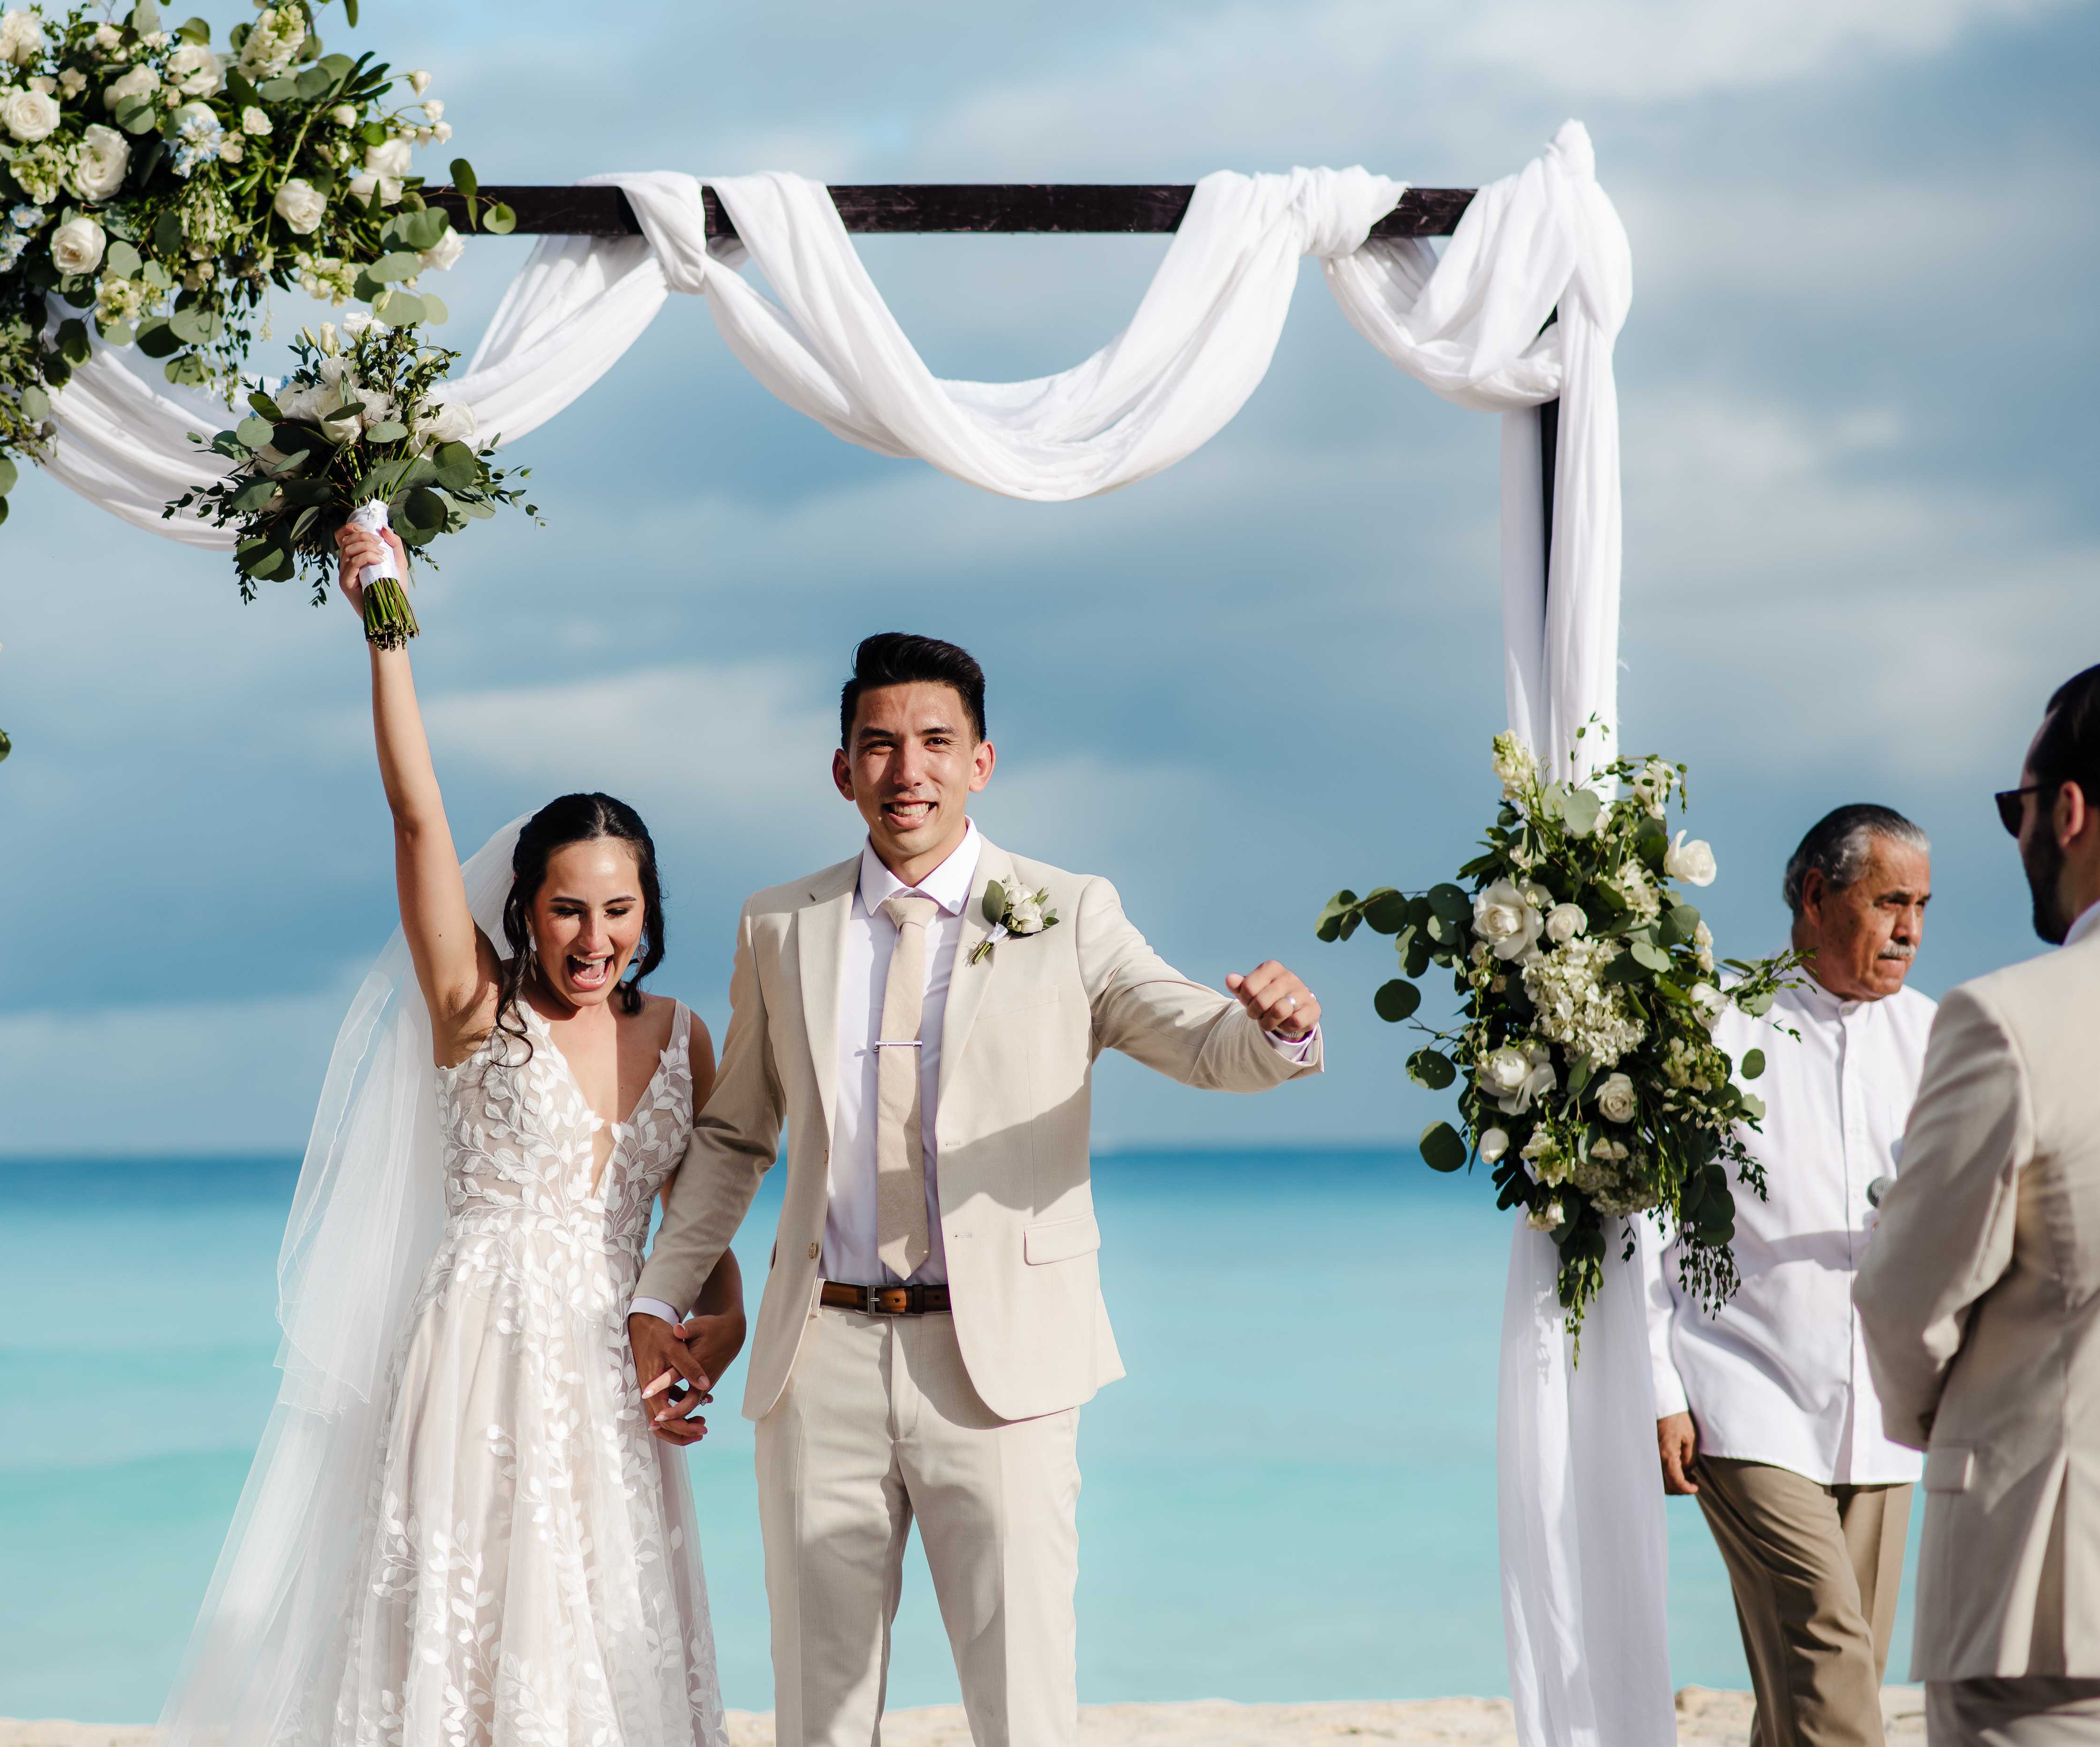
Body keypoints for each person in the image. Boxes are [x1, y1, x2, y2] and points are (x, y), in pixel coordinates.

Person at [624, 632, 1322, 1747]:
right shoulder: (778, 923)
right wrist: (659, 1295)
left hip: (1002, 1364)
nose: (909, 771)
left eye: (935, 743)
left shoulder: (1069, 909)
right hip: (821, 1359)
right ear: (841, 768)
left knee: (1021, 1702)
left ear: (981, 763)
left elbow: (1198, 1041)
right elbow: (731, 1133)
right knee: (818, 1706)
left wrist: (1275, 1028)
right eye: (881, 745)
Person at [156, 523, 743, 1747]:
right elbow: (419, 821)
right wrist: (384, 626)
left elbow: (700, 1233)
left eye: (619, 910)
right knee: (471, 1649)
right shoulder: (478, 1012)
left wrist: (715, 1333)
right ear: (522, 911)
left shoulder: (688, 1037)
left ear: (650, 909)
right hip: (479, 1349)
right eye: (568, 910)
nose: (596, 939)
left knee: (611, 1635)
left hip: (609, 1373)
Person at [1641, 804, 1935, 1747]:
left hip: (1889, 1413)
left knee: (1809, 1691)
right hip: (1742, 1389)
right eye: (1890, 902)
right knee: (1831, 1662)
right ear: (1815, 896)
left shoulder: (1941, 1038)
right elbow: (1643, 1215)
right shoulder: (1712, 1023)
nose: (1911, 932)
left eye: (1922, 906)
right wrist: (1656, 1389)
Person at [1858, 663, 2100, 1747]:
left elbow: (1900, 1298)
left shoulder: (2007, 1020)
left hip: (2048, 1591)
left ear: (2065, 810)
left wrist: (1945, 1429)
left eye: (2015, 809)